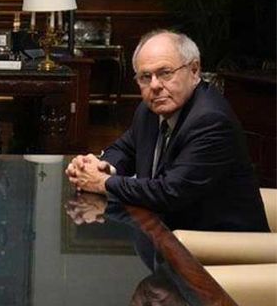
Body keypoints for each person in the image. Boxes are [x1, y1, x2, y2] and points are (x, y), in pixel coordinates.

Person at [65, 30, 268, 232]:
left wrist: (103, 183)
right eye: (145, 76)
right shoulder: (149, 110)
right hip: (166, 232)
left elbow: (170, 192)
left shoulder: (211, 120)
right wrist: (101, 167)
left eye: (165, 73)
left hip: (221, 246)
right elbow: (124, 149)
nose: (154, 85)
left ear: (194, 71)